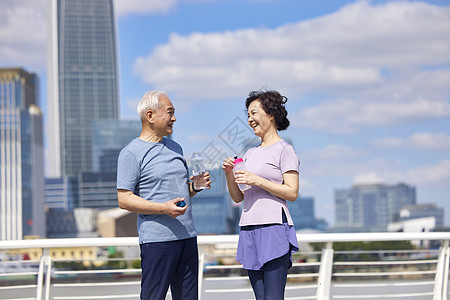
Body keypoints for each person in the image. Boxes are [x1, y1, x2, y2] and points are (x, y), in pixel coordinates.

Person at [117, 90, 211, 300]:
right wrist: (163, 209)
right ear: (150, 116)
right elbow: (124, 199)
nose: (174, 118)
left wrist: (194, 188)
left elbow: (179, 195)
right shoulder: (131, 153)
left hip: (187, 237)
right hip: (157, 241)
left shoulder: (176, 148)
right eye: (170, 113)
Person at [222, 89, 300, 300]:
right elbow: (239, 198)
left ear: (271, 114)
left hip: (274, 227)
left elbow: (292, 192)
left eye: (254, 113)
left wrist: (258, 180)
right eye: (248, 115)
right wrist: (229, 174)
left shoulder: (285, 150)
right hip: (249, 228)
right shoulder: (250, 153)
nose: (250, 119)